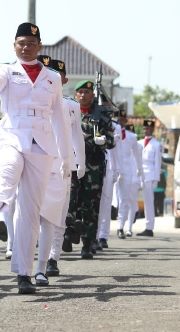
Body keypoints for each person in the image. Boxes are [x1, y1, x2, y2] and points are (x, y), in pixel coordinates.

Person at [0, 22, 70, 294]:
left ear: (39, 46)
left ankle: (24, 274)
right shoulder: (7, 69)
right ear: (14, 45)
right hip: (12, 133)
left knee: (30, 213)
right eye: (21, 43)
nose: (26, 47)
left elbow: (59, 119)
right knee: (6, 170)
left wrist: (67, 158)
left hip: (42, 143)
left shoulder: (52, 78)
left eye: (31, 43)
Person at [31, 58, 85, 281]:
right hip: (40, 161)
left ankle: (53, 258)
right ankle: (32, 257)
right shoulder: (38, 99)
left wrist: (80, 161)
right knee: (37, 212)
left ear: (64, 79)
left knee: (59, 215)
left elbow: (76, 135)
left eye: (58, 74)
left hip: (63, 165)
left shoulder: (72, 105)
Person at [70, 80, 116, 259]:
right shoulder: (69, 113)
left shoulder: (101, 116)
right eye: (80, 92)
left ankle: (88, 243)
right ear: (75, 95)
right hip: (73, 165)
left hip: (93, 167)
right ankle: (69, 232)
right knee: (71, 202)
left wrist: (104, 140)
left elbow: (112, 141)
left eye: (86, 92)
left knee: (91, 205)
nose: (83, 95)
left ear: (93, 95)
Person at [95, 95, 122, 250]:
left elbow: (118, 151)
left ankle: (103, 236)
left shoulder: (115, 126)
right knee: (94, 205)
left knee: (105, 204)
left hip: (110, 167)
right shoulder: (93, 122)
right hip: (95, 165)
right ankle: (93, 235)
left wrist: (117, 168)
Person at [115, 115, 144, 239]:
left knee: (124, 200)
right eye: (118, 119)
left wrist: (139, 169)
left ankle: (121, 227)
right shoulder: (112, 133)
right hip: (115, 168)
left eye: (122, 119)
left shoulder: (132, 137)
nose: (120, 121)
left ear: (126, 121)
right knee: (113, 200)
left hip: (127, 170)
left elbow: (137, 156)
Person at [137, 119, 162, 236]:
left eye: (148, 128)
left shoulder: (157, 145)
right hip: (138, 175)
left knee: (148, 202)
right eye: (144, 128)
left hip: (150, 175)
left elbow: (158, 163)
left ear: (152, 129)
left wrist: (156, 179)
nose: (145, 130)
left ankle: (149, 227)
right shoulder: (139, 142)